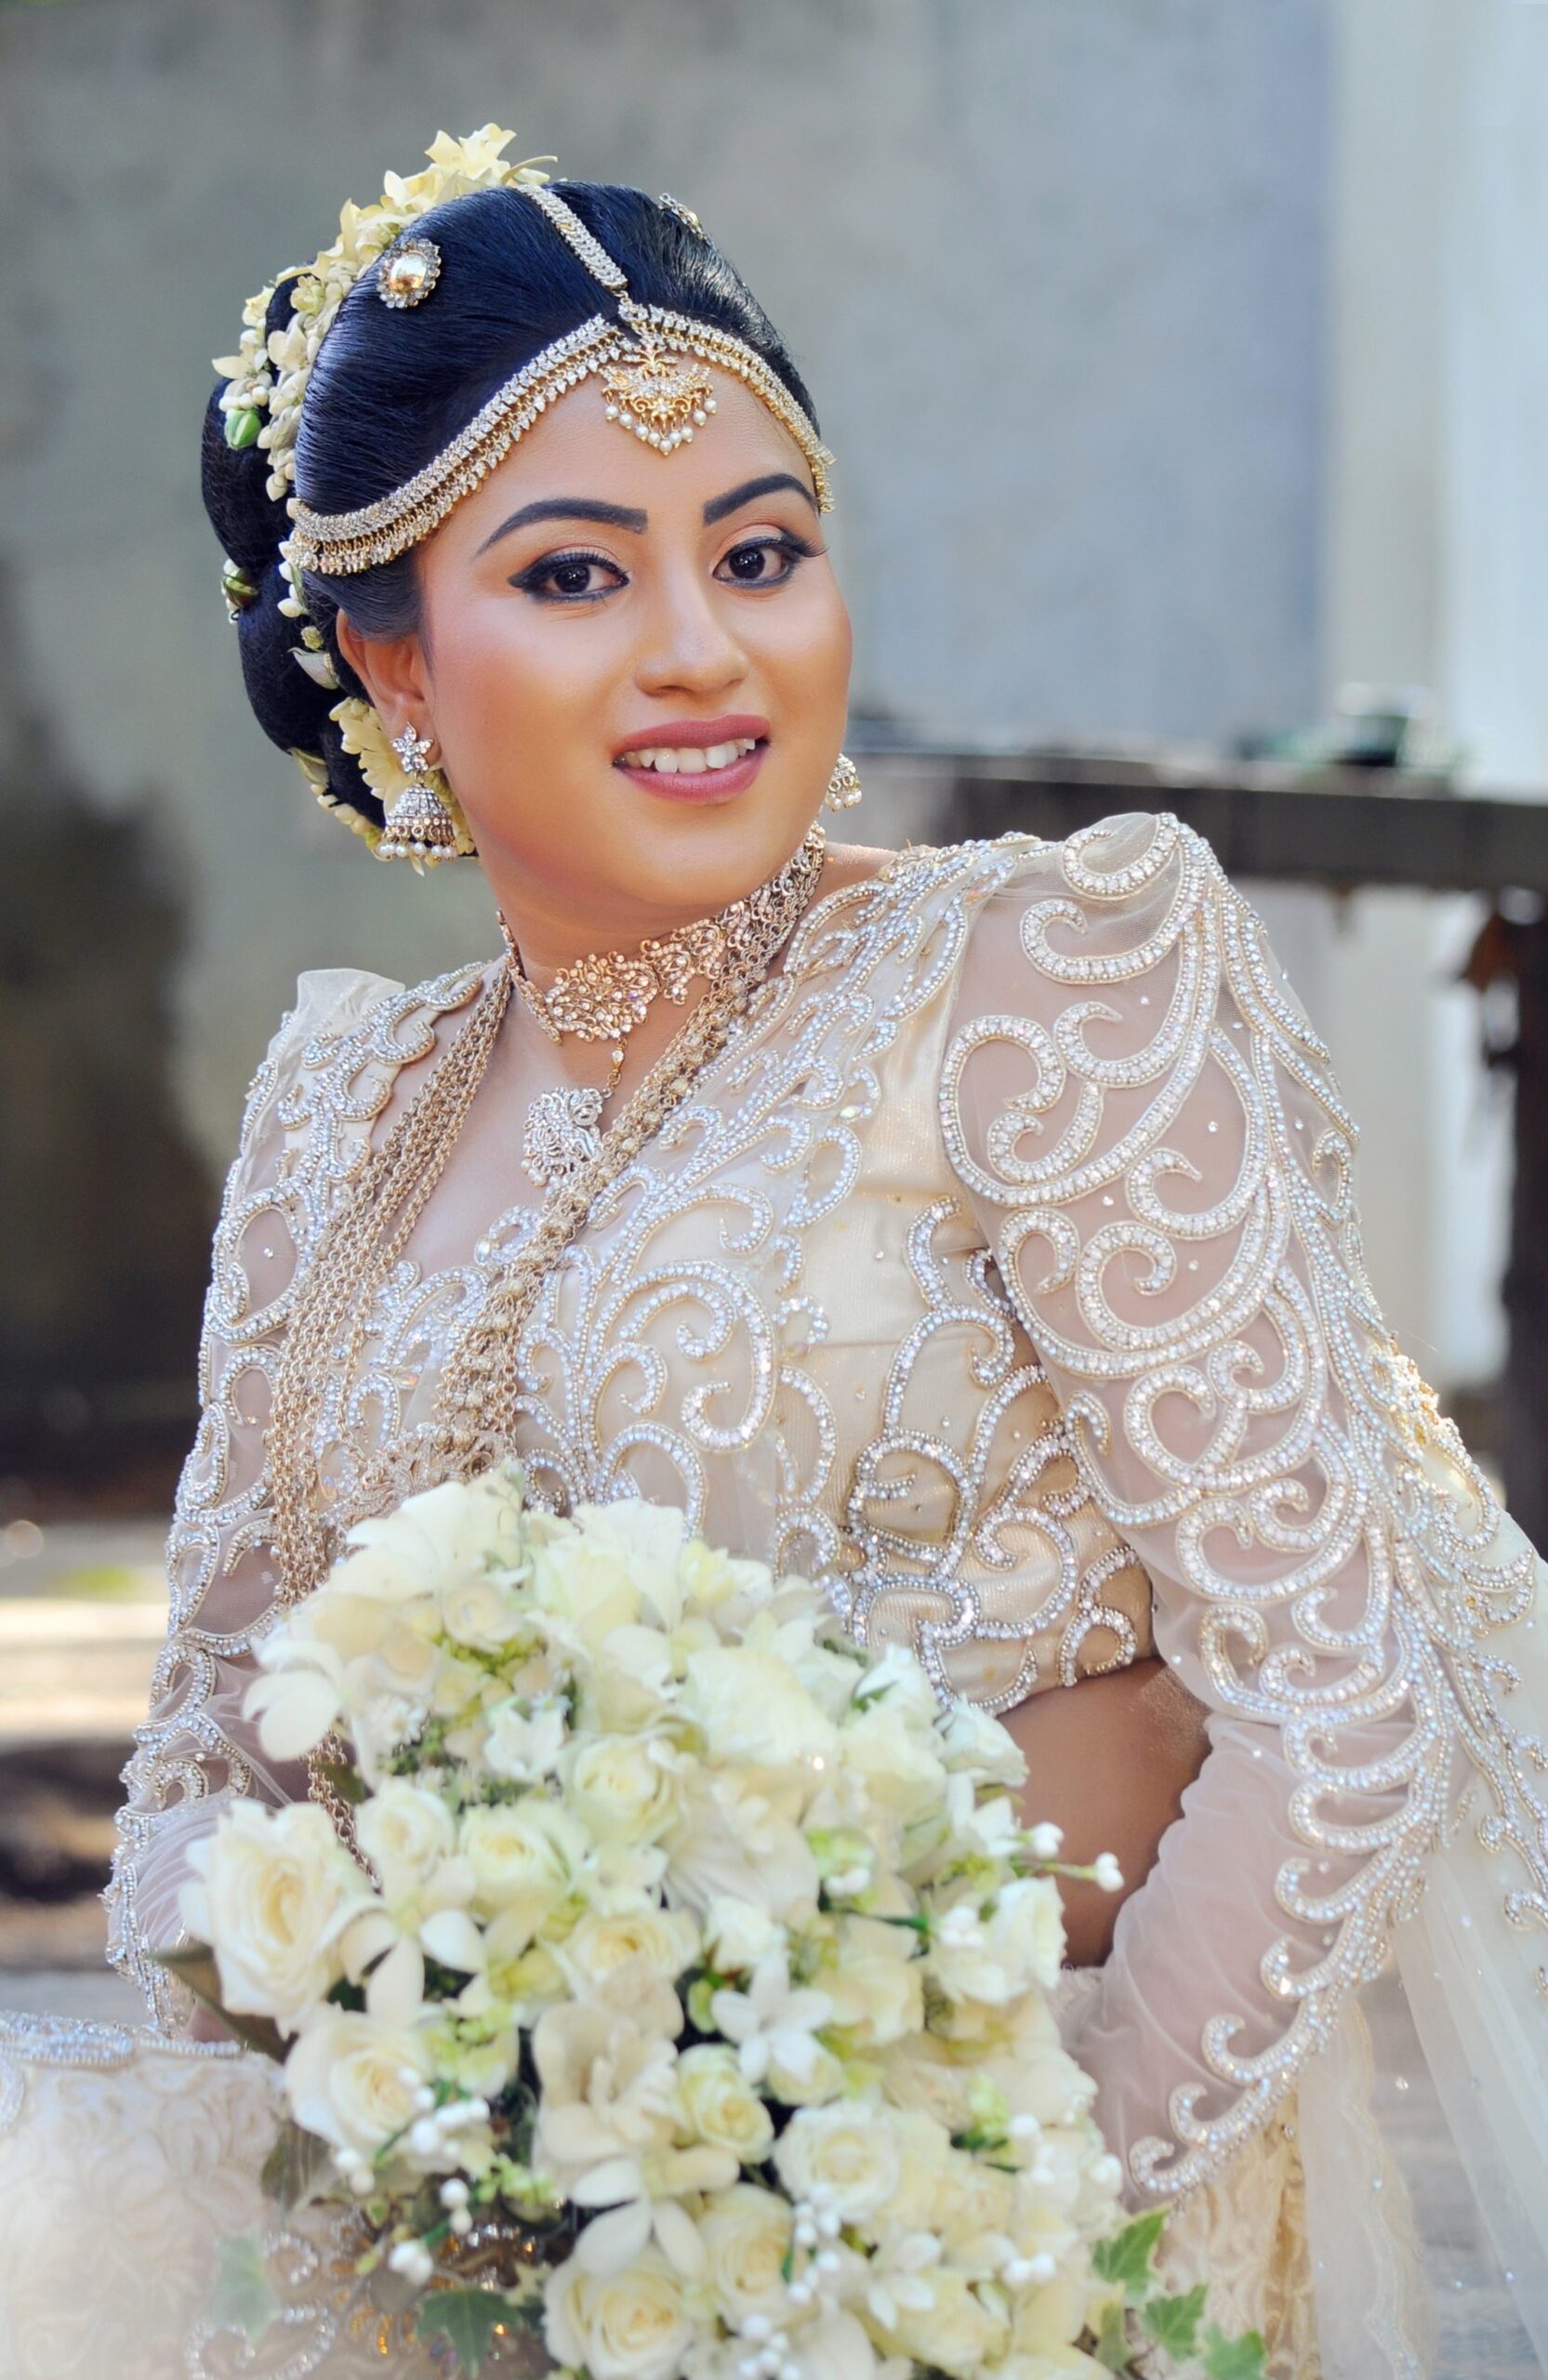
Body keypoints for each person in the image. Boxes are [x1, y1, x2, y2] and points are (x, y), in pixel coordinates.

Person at [2, 128, 1544, 2380]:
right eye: (575, 574)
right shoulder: (340, 1108)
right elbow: (214, 1759)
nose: (703, 647)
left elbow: (1331, 1707)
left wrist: (949, 2263)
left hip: (1009, 2247)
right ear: (386, 656)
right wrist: (360, 2152)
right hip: (458, 2263)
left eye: (760, 548)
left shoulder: (1030, 982)